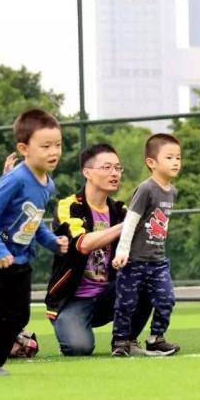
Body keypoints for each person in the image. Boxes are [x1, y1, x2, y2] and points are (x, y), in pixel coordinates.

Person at [0, 109, 69, 376]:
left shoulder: (47, 184)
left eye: (58, 145)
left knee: (20, 316)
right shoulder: (17, 178)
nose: (54, 151)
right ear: (24, 148)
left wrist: (52, 241)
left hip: (21, 258)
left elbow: (33, 221)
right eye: (46, 146)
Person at [45, 143, 153, 356]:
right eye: (106, 167)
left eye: (118, 168)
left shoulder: (120, 210)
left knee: (149, 275)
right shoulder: (70, 206)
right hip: (72, 299)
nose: (114, 173)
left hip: (110, 294)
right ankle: (66, 323)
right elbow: (81, 244)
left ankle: (126, 340)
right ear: (87, 172)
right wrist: (127, 225)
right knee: (79, 348)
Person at [110, 134, 181, 357]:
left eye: (178, 157)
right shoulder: (146, 189)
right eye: (169, 157)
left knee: (166, 299)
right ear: (151, 162)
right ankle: (120, 342)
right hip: (134, 261)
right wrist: (123, 251)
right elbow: (130, 222)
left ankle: (156, 339)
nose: (176, 162)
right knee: (126, 304)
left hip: (158, 262)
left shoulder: (172, 192)